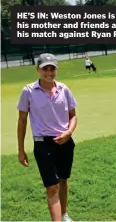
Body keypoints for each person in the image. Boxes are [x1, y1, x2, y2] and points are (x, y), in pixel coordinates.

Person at [17, 53, 78, 222]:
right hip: (43, 145)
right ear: (38, 70)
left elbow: (73, 115)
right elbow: (22, 121)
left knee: (63, 180)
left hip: (65, 142)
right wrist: (21, 150)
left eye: (52, 69)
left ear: (56, 70)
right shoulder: (28, 91)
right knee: (52, 187)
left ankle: (64, 214)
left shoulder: (64, 89)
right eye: (45, 69)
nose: (49, 72)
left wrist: (69, 132)